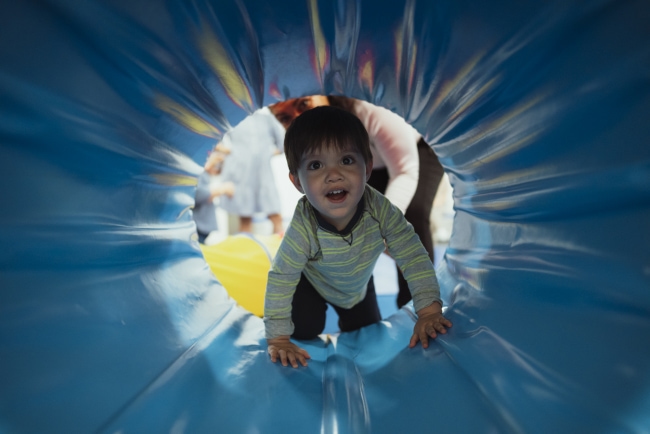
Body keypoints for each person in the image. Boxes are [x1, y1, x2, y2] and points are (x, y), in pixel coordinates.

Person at [264, 106, 452, 368]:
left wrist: (429, 311)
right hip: (312, 283)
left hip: (358, 286)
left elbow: (412, 255)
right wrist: (278, 339)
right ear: (297, 182)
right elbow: (282, 276)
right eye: (316, 165)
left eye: (347, 160)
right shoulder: (304, 223)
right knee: (303, 330)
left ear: (367, 168)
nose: (334, 174)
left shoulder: (380, 209)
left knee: (368, 335)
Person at [270, 96, 445, 308]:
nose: (299, 118)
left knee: (411, 216)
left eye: (304, 104)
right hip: (370, 163)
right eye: (285, 118)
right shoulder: (306, 137)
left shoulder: (370, 111)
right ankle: (359, 306)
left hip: (414, 152)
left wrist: (382, 226)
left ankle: (420, 304)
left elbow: (404, 170)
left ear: (324, 93)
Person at [218, 107, 286, 234]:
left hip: (264, 173)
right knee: (245, 217)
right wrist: (234, 153)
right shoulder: (232, 118)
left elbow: (282, 145)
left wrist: (266, 154)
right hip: (241, 174)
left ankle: (284, 251)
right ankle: (246, 250)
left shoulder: (267, 119)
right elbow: (215, 141)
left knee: (275, 214)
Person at [193, 145, 235, 243]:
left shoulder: (206, 174)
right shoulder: (199, 172)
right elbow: (198, 194)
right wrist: (222, 189)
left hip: (203, 228)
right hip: (197, 227)